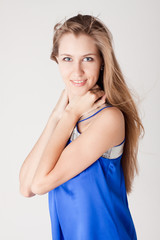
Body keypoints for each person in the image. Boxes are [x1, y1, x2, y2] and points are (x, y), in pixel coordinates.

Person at [19, 14, 144, 239]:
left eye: (87, 59)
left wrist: (70, 114)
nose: (76, 71)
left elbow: (39, 184)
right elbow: (26, 187)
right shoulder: (65, 117)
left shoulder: (109, 119)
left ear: (102, 61)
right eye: (67, 59)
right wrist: (57, 115)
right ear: (56, 59)